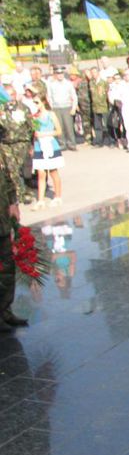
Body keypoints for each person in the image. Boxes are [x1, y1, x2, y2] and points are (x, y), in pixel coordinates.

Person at [0, 115, 26, 332]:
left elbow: (7, 178)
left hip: (2, 219)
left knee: (7, 267)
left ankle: (5, 311)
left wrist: (13, 203)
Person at [30, 95, 64, 210]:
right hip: (39, 146)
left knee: (53, 172)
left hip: (50, 145)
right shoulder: (35, 116)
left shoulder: (51, 115)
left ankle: (58, 196)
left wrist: (45, 134)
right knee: (41, 173)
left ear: (43, 102)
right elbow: (35, 132)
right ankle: (40, 200)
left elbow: (59, 131)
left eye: (37, 102)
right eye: (34, 102)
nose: (35, 104)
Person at [46, 67, 78, 151]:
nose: (60, 75)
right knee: (59, 127)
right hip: (56, 108)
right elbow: (49, 97)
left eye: (61, 74)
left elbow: (74, 96)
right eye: (58, 74)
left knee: (69, 127)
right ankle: (62, 144)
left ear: (63, 74)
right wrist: (51, 108)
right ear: (56, 75)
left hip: (67, 107)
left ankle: (71, 144)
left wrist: (74, 108)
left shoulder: (68, 83)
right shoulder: (51, 84)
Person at [88, 67, 110, 146]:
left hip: (103, 106)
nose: (93, 74)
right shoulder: (91, 83)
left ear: (98, 73)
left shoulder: (104, 82)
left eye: (94, 72)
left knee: (107, 124)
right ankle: (98, 141)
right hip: (95, 107)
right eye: (92, 73)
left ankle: (111, 140)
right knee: (97, 126)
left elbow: (108, 93)